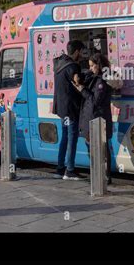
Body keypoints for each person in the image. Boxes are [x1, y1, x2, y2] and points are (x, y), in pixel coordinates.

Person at [72, 53, 122, 185]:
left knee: (102, 149)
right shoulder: (95, 77)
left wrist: (82, 89)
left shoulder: (102, 81)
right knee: (94, 147)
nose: (91, 68)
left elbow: (95, 101)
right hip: (92, 117)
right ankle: (98, 174)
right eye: (89, 65)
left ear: (99, 65)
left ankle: (104, 176)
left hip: (98, 118)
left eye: (93, 65)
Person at [52, 40, 86, 180]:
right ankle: (69, 170)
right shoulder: (72, 66)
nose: (83, 55)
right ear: (77, 51)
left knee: (65, 137)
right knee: (72, 138)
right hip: (70, 108)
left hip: (61, 108)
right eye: (82, 52)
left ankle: (60, 168)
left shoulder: (59, 63)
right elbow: (77, 82)